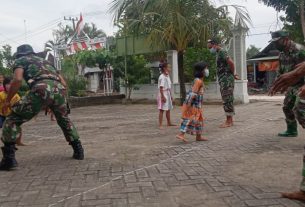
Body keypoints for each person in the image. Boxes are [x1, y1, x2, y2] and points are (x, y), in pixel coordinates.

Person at [0, 44, 84, 171]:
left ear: (19, 55)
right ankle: (78, 150)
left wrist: (7, 101)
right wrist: (51, 101)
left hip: (40, 88)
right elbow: (64, 84)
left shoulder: (20, 60)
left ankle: (9, 160)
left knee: (12, 119)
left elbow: (17, 80)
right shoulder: (46, 62)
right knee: (64, 119)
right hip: (59, 90)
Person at [269, 61, 305, 201]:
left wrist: (297, 73)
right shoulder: (283, 54)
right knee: (293, 106)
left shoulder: (297, 49)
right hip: (294, 85)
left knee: (300, 103)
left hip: (297, 85)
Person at [271, 30, 305, 137]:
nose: (275, 44)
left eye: (277, 42)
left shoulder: (300, 50)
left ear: (285, 40)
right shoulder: (282, 54)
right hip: (293, 86)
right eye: (274, 42)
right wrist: (277, 84)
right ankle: (292, 130)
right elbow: (280, 71)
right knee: (287, 107)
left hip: (303, 84)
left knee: (299, 108)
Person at [207, 39, 240, 128]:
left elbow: (231, 63)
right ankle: (230, 120)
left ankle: (228, 121)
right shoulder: (219, 53)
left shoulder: (221, 52)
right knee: (227, 98)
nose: (210, 49)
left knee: (227, 99)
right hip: (224, 79)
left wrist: (233, 73)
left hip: (226, 79)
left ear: (214, 45)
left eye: (210, 47)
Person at [176, 62, 209, 143]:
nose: (207, 70)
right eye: (206, 68)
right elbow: (192, 93)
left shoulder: (199, 80)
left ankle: (198, 136)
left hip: (198, 106)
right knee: (190, 119)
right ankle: (181, 134)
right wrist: (188, 105)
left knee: (199, 121)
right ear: (202, 70)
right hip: (194, 106)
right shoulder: (198, 81)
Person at [0, 77, 25, 146]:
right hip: (2, 115)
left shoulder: (16, 95)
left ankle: (18, 142)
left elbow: (19, 105)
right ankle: (5, 139)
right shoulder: (1, 94)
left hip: (12, 115)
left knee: (18, 128)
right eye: (7, 84)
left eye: (11, 84)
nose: (9, 86)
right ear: (4, 85)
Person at [157, 63, 175, 129]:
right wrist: (162, 97)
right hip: (163, 93)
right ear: (164, 68)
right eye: (169, 67)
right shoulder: (162, 77)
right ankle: (160, 124)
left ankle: (169, 122)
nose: (170, 68)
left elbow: (169, 87)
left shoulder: (167, 76)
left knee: (168, 109)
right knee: (162, 109)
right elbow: (161, 88)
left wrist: (171, 96)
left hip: (167, 93)